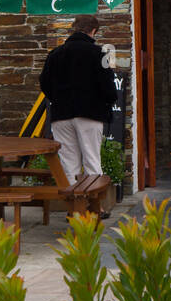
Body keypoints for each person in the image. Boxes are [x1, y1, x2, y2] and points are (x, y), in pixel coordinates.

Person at [40, 15, 118, 180]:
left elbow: (44, 83)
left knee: (68, 164)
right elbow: (109, 87)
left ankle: (74, 204)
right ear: (94, 31)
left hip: (61, 114)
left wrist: (58, 98)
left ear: (74, 28)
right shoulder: (101, 53)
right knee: (92, 161)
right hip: (90, 113)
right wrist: (108, 101)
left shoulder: (55, 54)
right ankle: (94, 204)